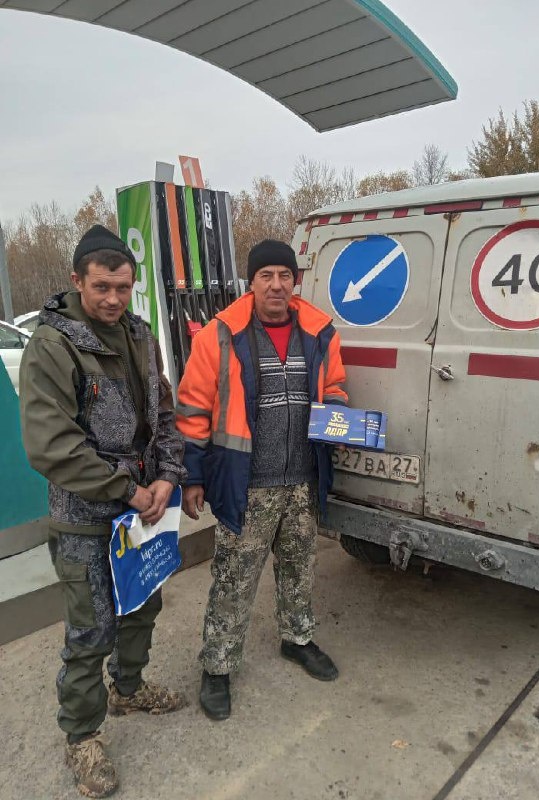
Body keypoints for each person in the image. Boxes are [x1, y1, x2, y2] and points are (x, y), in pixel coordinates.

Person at [19, 225, 187, 799]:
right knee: (91, 629)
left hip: (144, 510)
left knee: (141, 604)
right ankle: (82, 735)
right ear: (76, 281)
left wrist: (166, 476)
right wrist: (127, 490)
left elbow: (165, 413)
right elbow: (53, 446)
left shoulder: (139, 335)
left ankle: (129, 689)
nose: (113, 298)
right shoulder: (53, 345)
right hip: (85, 515)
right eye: (101, 287)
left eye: (122, 287)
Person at [176, 239, 347, 721]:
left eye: (284, 275)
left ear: (296, 281)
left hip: (302, 480)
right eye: (266, 275)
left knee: (299, 567)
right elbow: (192, 409)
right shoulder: (220, 335)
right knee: (234, 579)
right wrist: (192, 476)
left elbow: (334, 386)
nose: (276, 285)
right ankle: (217, 665)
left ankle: (297, 639)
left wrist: (339, 416)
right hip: (247, 483)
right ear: (250, 283)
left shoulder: (319, 332)